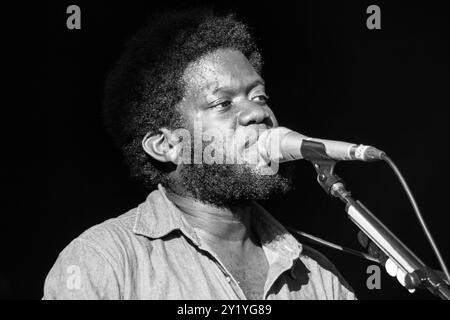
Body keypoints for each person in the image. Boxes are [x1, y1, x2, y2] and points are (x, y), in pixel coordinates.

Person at [43, 8, 356, 300]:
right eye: (223, 103)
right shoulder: (104, 259)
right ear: (165, 146)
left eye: (259, 96)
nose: (257, 113)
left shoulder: (319, 276)